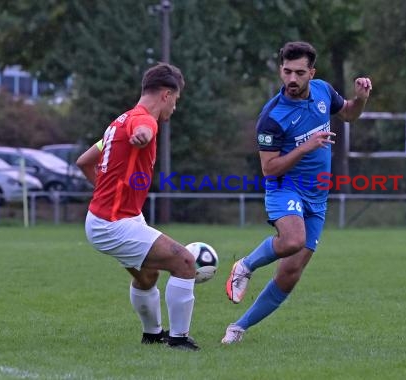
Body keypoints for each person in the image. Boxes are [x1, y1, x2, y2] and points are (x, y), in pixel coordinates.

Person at [221, 41, 372, 344]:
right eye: (287, 71)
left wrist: (361, 99)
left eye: (299, 73)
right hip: (284, 186)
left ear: (311, 73)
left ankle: (238, 328)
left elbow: (350, 115)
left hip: (317, 195)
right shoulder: (272, 117)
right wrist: (307, 146)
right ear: (280, 70)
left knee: (290, 273)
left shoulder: (323, 91)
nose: (292, 79)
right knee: (292, 240)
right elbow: (270, 169)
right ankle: (245, 265)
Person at [81, 62, 200, 351]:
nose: (175, 107)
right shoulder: (143, 121)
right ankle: (179, 340)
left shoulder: (118, 123)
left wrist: (107, 193)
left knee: (148, 276)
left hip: (115, 217)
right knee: (185, 262)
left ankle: (152, 335)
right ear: (166, 95)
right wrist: (145, 135)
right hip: (113, 223)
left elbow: (84, 162)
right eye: (177, 100)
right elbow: (144, 127)